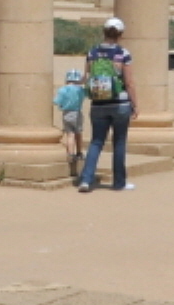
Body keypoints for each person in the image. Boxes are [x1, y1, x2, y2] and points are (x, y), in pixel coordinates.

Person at [77, 16, 137, 193]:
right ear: (120, 34)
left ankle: (86, 179)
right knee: (119, 142)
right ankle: (119, 183)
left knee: (96, 142)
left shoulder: (92, 53)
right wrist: (135, 104)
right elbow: (129, 83)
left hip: (98, 103)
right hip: (120, 103)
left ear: (104, 32)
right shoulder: (123, 54)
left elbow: (86, 77)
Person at [54, 68, 87, 179]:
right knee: (79, 132)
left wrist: (62, 105)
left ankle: (71, 154)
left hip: (67, 113)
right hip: (78, 112)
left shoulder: (63, 90)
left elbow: (56, 101)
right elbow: (86, 95)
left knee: (70, 134)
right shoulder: (80, 90)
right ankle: (79, 152)